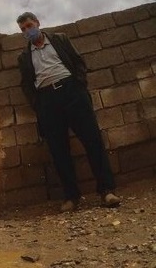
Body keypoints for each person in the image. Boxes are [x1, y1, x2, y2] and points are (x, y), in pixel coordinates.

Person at [16, 12, 121, 212]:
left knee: (92, 140)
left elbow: (78, 61)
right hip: (47, 101)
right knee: (58, 150)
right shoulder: (24, 57)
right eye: (23, 29)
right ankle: (71, 197)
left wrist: (79, 86)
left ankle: (107, 190)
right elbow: (26, 84)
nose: (28, 31)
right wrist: (38, 104)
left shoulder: (59, 39)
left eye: (30, 26)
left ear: (38, 23)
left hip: (72, 92)